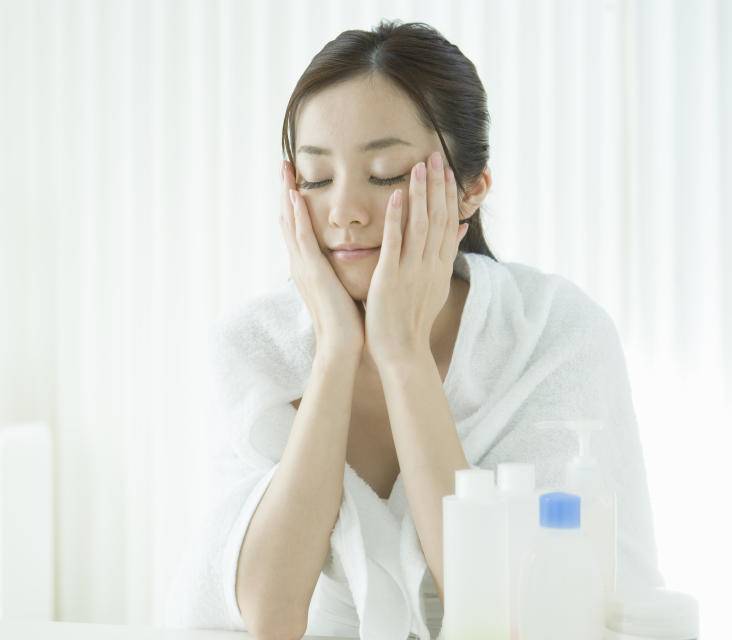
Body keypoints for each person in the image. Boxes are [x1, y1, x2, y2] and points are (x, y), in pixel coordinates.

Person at [165, 19, 663, 640]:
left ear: (470, 189)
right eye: (317, 179)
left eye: (385, 174)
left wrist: (403, 357)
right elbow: (267, 615)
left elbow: (523, 621)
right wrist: (334, 357)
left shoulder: (557, 336)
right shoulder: (252, 347)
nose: (344, 210)